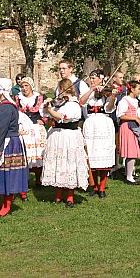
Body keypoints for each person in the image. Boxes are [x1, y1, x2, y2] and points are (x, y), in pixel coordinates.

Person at [41, 79, 90, 207]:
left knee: (69, 164)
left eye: (61, 89)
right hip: (56, 136)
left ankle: (69, 197)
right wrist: (47, 106)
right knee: (58, 164)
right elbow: (45, 113)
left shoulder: (73, 104)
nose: (60, 91)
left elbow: (62, 117)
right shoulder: (59, 102)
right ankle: (57, 196)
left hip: (69, 136)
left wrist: (51, 110)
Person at [0, 78, 28, 217]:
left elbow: (2, 129)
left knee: (8, 174)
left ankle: (7, 204)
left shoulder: (5, 107)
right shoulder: (6, 104)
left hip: (7, 142)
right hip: (8, 140)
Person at [80, 70, 116, 197]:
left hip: (103, 124)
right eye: (90, 78)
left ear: (101, 79)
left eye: (94, 78)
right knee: (91, 155)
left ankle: (102, 187)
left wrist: (113, 97)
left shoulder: (107, 92)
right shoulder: (89, 92)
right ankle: (94, 186)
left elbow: (109, 108)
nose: (92, 80)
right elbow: (81, 102)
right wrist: (91, 89)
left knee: (103, 155)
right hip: (90, 124)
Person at [15, 77, 46, 188]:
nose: (24, 88)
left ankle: (38, 179)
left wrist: (43, 120)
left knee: (37, 153)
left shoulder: (39, 98)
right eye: (22, 86)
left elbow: (46, 111)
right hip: (24, 128)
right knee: (26, 152)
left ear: (31, 86)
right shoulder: (18, 98)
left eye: (26, 85)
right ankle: (25, 179)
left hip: (36, 128)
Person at [117, 79, 140, 185]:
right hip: (127, 127)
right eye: (138, 89)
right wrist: (134, 119)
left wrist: (138, 119)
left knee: (133, 151)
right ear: (132, 89)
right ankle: (129, 176)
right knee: (131, 151)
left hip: (133, 126)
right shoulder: (124, 101)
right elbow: (121, 115)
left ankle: (129, 173)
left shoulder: (136, 100)